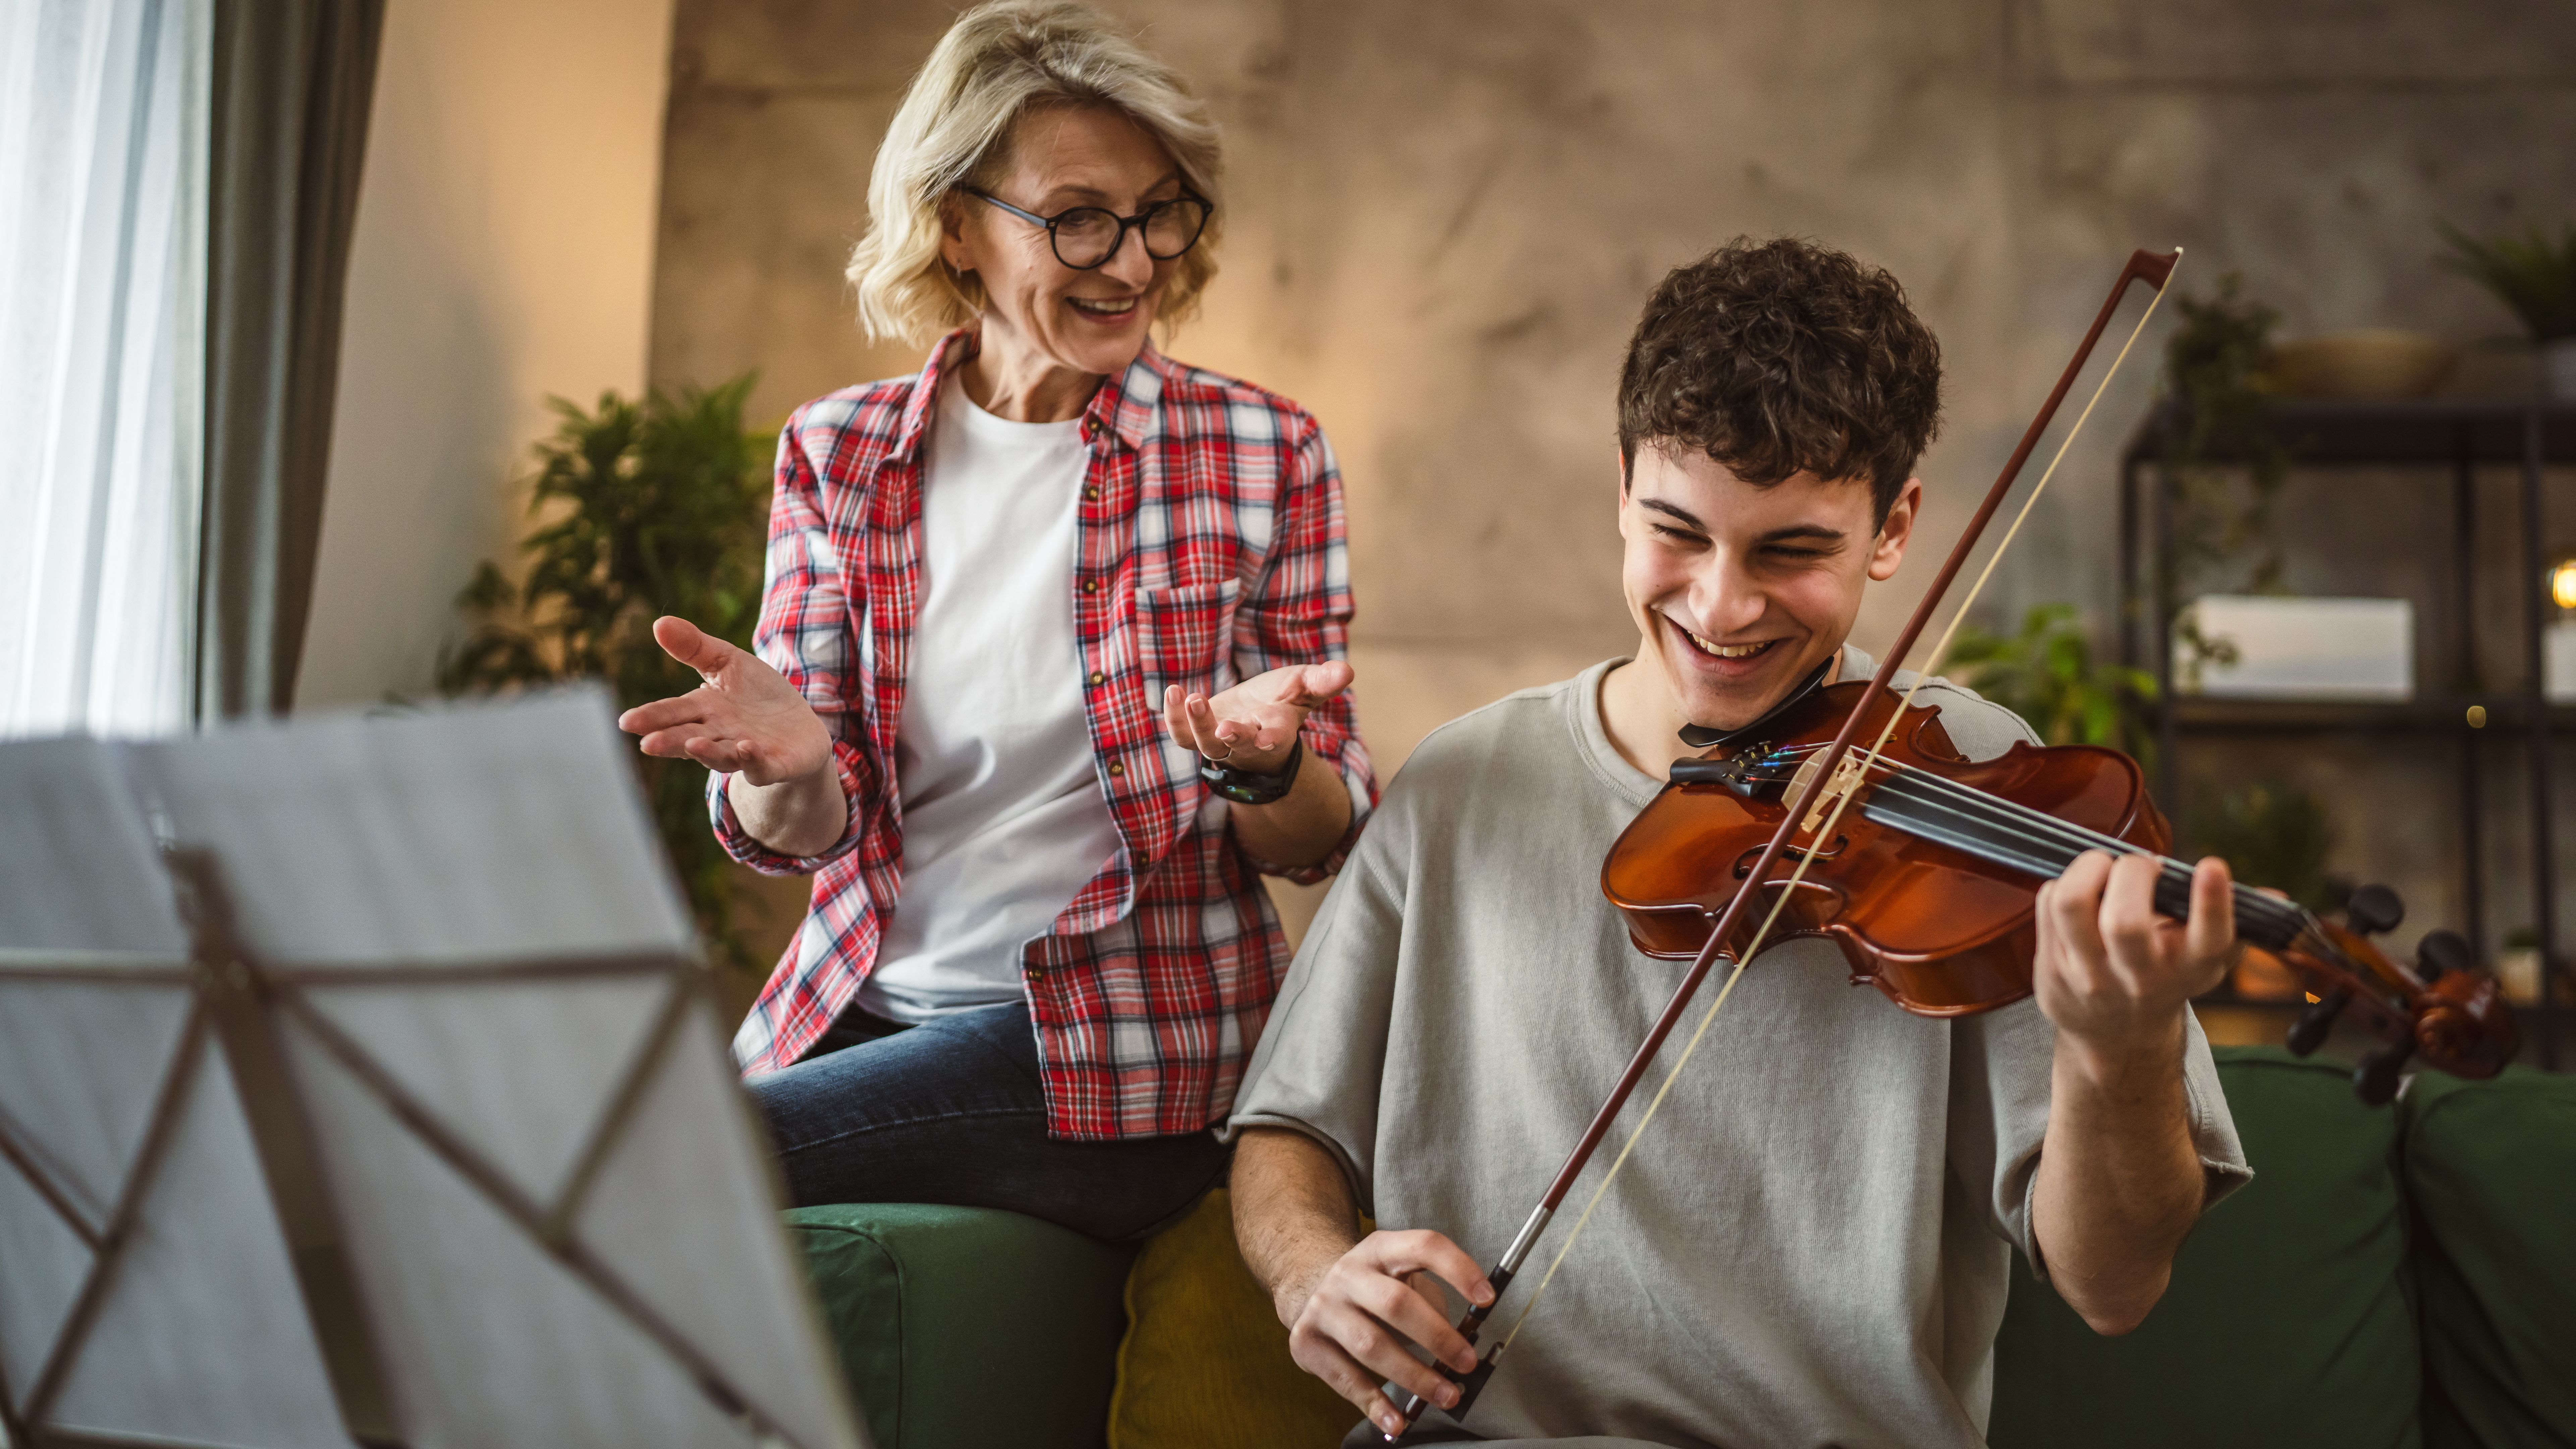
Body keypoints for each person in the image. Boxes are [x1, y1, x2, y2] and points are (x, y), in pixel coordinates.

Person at [1226, 237, 2251, 1447]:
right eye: (1678, 534)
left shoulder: (1998, 798)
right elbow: (1289, 1129)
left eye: (1791, 550)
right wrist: (1311, 1276)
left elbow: (2115, 1283)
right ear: (1621, 490)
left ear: (1893, 527)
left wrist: (2119, 1047)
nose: (1720, 608)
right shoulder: (1466, 782)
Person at [616, 2, 1374, 1242]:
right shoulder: (839, 450)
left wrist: (1268, 764)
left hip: (1119, 1047)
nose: (1132, 261)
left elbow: (1321, 835)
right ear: (957, 224)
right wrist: (790, 769)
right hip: (858, 1005)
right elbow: (802, 828)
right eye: (1079, 216)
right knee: (605, 1148)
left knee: (677, 1165)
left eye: (1157, 212)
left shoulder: (1260, 449)